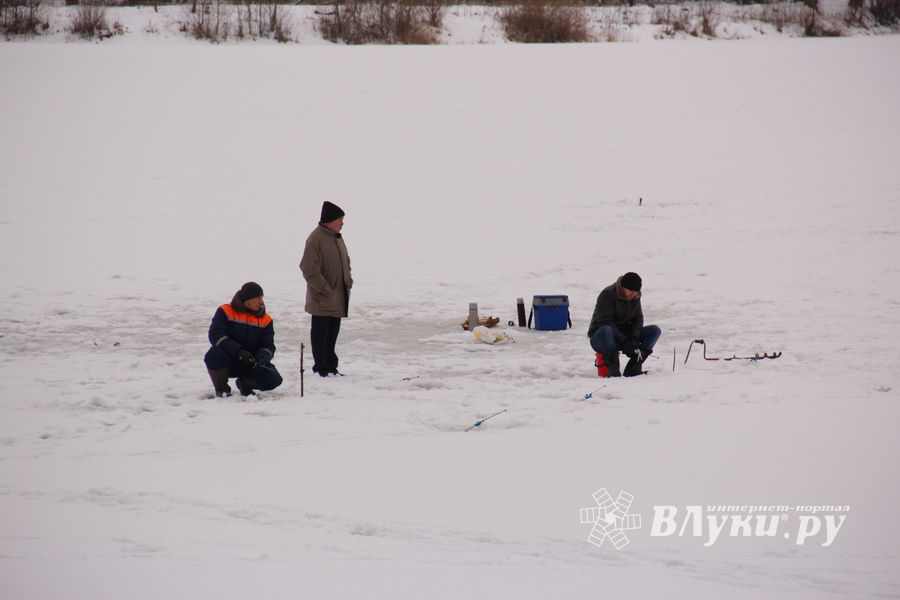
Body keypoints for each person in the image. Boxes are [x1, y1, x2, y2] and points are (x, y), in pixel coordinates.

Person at [300, 201, 353, 377]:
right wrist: (325, 289)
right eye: (340, 219)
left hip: (338, 297)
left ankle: (331, 367)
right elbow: (308, 268)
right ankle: (321, 368)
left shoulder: (336, 237)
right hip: (322, 298)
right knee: (320, 336)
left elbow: (346, 261)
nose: (342, 223)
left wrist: (348, 280)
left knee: (332, 335)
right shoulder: (315, 239)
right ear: (330, 220)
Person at [204, 282, 283, 397]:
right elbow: (215, 334)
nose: (261, 302)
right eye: (258, 298)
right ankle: (222, 390)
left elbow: (268, 345)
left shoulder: (266, 320)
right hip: (229, 360)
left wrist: (262, 359)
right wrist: (238, 351)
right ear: (247, 300)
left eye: (261, 298)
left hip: (251, 363)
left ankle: (245, 383)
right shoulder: (225, 311)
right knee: (214, 355)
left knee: (274, 379)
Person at [587, 272, 661, 377]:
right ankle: (613, 371)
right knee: (607, 329)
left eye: (635, 293)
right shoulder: (607, 294)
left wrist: (634, 338)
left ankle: (634, 367)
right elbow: (604, 322)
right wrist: (624, 340)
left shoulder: (635, 296)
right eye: (630, 291)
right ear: (622, 287)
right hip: (602, 337)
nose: (633, 295)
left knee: (655, 331)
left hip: (623, 335)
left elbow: (638, 319)